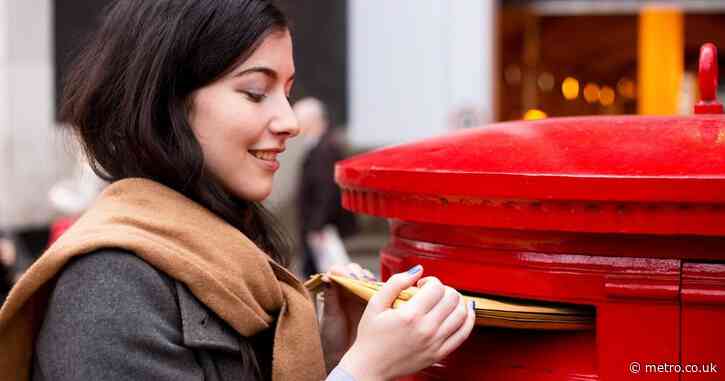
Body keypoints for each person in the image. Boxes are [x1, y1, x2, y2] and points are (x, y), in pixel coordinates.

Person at [0, 1, 476, 381]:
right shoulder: (109, 284)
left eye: (287, 91)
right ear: (168, 104)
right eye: (254, 92)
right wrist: (365, 371)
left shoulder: (228, 251)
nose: (288, 121)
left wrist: (333, 353)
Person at [294, 97, 358, 277]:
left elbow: (327, 191)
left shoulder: (325, 148)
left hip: (320, 228)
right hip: (318, 227)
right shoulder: (321, 145)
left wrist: (316, 225)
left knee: (321, 275)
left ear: (311, 120)